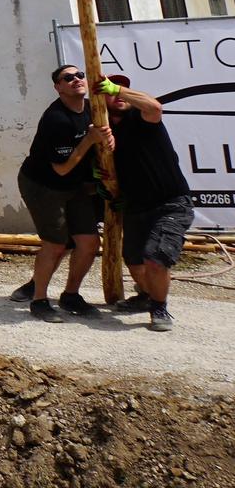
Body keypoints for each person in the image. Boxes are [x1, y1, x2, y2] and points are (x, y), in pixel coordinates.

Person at [15, 64, 112, 322]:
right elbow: (62, 168)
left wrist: (106, 141)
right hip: (43, 185)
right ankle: (39, 300)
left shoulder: (93, 108)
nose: (76, 80)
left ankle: (71, 295)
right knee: (56, 244)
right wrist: (89, 140)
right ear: (58, 87)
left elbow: (96, 145)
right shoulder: (56, 119)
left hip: (75, 185)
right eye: (67, 78)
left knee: (90, 243)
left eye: (79, 75)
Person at [102, 75, 188, 331]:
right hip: (136, 205)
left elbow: (155, 107)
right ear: (99, 99)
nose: (118, 96)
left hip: (170, 202)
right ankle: (146, 296)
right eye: (110, 92)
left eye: (123, 89)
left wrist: (117, 89)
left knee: (156, 259)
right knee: (134, 260)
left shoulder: (142, 118)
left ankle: (159, 308)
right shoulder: (103, 128)